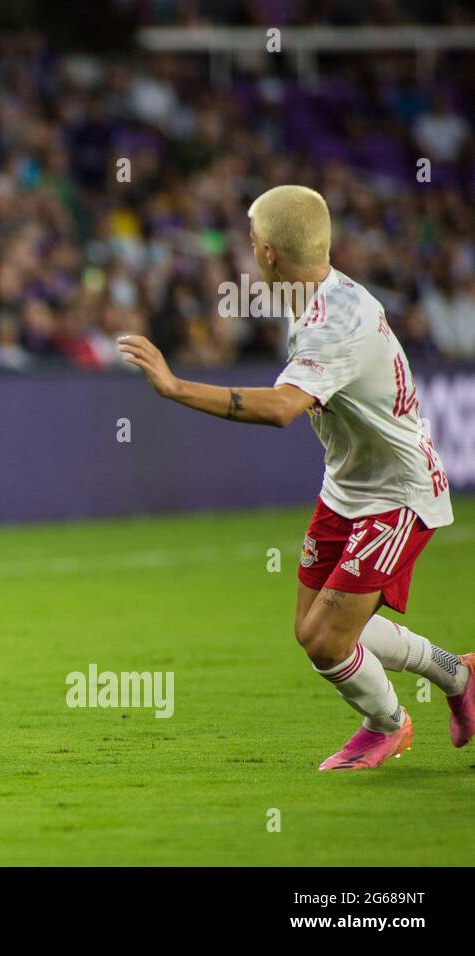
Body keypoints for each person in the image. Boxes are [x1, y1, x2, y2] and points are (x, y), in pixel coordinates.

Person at [118, 184, 472, 771]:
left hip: (398, 495)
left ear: (269, 254)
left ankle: (388, 725)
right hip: (347, 485)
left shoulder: (335, 321)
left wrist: (177, 387)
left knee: (330, 640)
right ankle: (458, 674)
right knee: (313, 629)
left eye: (253, 236)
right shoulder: (312, 292)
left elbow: (283, 408)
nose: (249, 245)